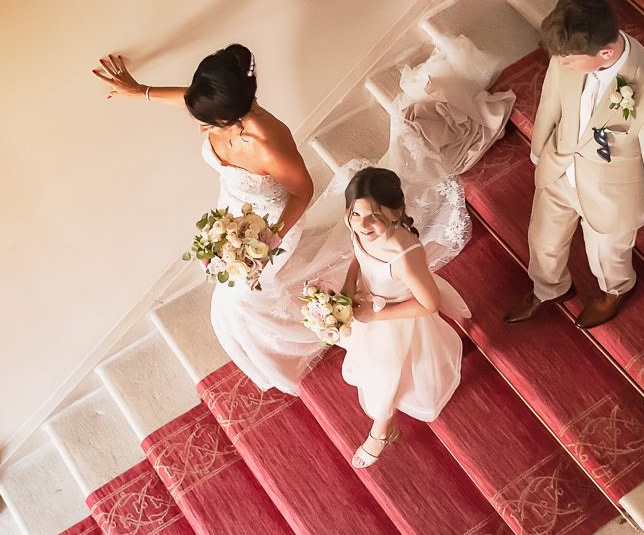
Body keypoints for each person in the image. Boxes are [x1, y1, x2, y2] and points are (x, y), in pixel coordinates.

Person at [93, 44, 330, 395]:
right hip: (233, 209)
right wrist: (139, 90)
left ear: (230, 116)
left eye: (207, 121)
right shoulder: (220, 104)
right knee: (234, 294)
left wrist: (269, 242)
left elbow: (303, 192)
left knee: (235, 301)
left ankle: (301, 340)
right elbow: (189, 99)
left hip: (273, 223)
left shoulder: (268, 144)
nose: (200, 126)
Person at [504, 0, 644, 330]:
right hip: (561, 169)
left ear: (605, 53)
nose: (561, 63)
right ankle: (549, 289)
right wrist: (539, 148)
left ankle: (614, 291)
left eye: (568, 60)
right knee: (542, 240)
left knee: (607, 257)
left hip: (611, 191)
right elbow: (551, 99)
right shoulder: (569, 51)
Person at [338, 166, 467, 466]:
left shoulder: (404, 254)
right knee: (376, 366)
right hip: (372, 309)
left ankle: (380, 431)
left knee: (389, 373)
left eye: (373, 216)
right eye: (355, 215)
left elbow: (429, 304)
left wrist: (376, 316)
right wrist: (347, 287)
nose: (362, 225)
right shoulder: (360, 230)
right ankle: (383, 424)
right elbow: (359, 255)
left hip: (399, 319)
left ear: (395, 213)